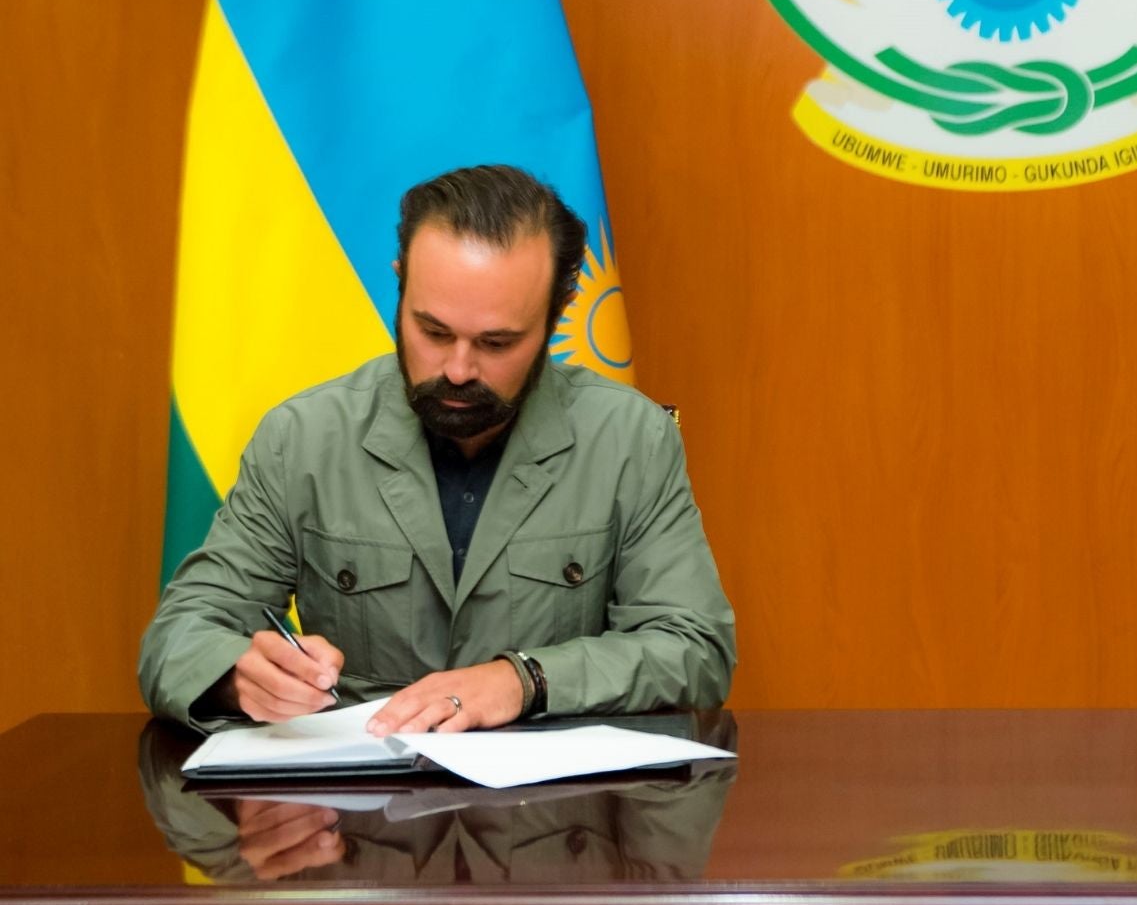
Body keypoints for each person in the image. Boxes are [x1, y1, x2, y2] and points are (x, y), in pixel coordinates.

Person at [140, 164, 736, 733]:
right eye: (433, 332)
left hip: (554, 820)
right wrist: (239, 678)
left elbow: (695, 648)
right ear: (400, 286)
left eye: (497, 342)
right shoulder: (301, 438)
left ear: (555, 317)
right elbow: (179, 636)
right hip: (354, 818)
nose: (456, 369)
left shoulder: (631, 439)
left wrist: (524, 680)